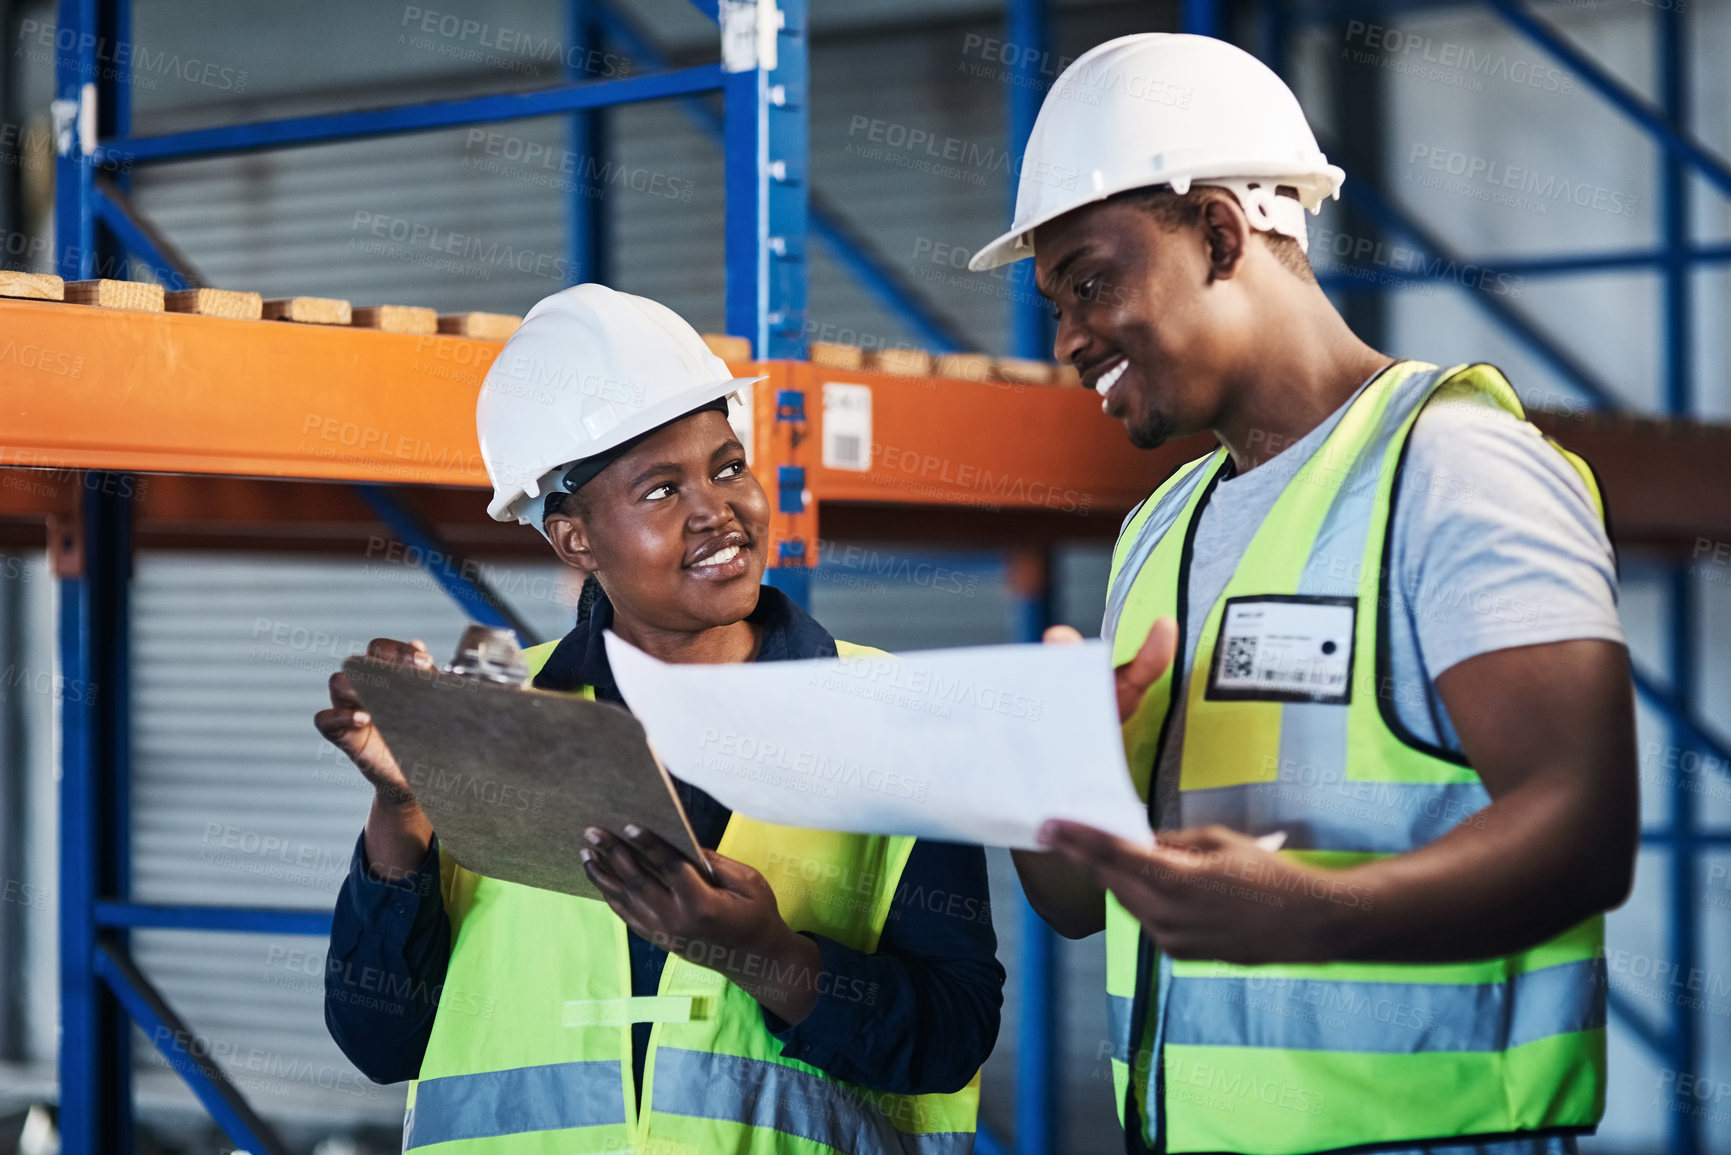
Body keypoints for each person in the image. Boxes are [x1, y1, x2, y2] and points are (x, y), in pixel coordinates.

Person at [972, 33, 1636, 1155]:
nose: (1071, 339)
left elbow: (1584, 832)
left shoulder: (1453, 469)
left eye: (1090, 281)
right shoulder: (1157, 532)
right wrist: (1050, 777)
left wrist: (1311, 910)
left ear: (1224, 233)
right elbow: (1076, 907)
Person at [314, 284, 1003, 1153]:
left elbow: (951, 1035)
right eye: (659, 490)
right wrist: (404, 808)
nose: (718, 509)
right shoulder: (491, 714)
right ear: (575, 541)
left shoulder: (901, 723)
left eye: (726, 466)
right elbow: (380, 1040)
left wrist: (767, 958)